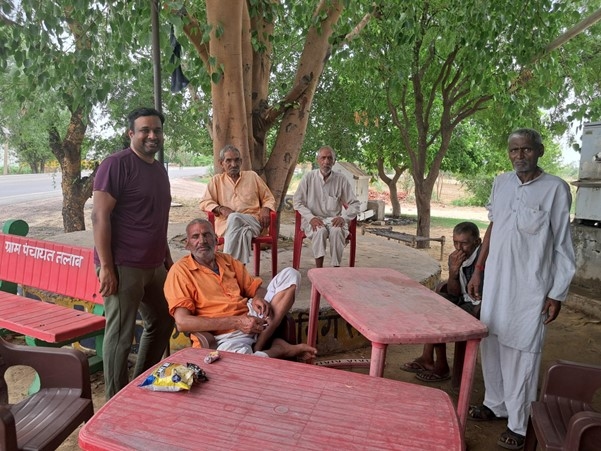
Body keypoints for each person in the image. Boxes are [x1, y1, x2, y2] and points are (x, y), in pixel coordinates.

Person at [466, 128, 576, 450]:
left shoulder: (555, 189)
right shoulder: (501, 183)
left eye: (526, 150)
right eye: (514, 150)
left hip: (530, 287)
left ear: (539, 151)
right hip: (497, 282)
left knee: (523, 352)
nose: (519, 156)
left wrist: (556, 293)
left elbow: (562, 246)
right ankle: (495, 402)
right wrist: (479, 269)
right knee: (493, 343)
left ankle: (518, 422)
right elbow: (494, 226)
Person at [92, 107, 175, 400]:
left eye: (157, 131)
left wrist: (167, 260)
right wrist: (106, 266)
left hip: (154, 264)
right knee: (120, 336)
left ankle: (142, 385)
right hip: (122, 264)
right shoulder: (116, 165)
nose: (152, 136)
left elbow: (156, 218)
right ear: (131, 134)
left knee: (165, 319)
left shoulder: (158, 170)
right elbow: (100, 216)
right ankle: (115, 401)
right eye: (145, 130)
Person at [164, 218, 317, 360]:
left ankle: (260, 344)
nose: (202, 241)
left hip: (253, 319)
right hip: (225, 335)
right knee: (240, 364)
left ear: (216, 239)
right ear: (187, 244)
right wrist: (237, 322)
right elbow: (183, 322)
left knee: (290, 274)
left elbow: (256, 288)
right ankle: (278, 350)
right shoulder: (180, 272)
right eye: (195, 237)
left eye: (207, 235)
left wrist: (258, 298)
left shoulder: (227, 260)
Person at [401, 221, 483, 382]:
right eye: (455, 242)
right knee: (432, 304)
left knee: (438, 315)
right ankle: (427, 358)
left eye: (464, 243)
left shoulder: (482, 261)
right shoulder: (458, 257)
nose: (459, 248)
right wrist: (453, 271)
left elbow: (478, 295)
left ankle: (442, 366)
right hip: (463, 300)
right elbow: (454, 292)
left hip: (477, 306)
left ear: (477, 242)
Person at [199, 144, 276, 265]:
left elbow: (269, 198)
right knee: (243, 232)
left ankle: (226, 265)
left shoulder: (252, 176)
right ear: (221, 163)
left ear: (241, 161)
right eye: (228, 161)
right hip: (230, 227)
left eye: (236, 160)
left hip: (253, 222)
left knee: (234, 217)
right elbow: (204, 202)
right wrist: (220, 208)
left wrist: (266, 208)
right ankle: (239, 271)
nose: (233, 164)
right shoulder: (216, 181)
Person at [293, 146, 361, 268]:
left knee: (337, 230)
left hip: (333, 219)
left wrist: (344, 218)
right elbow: (297, 202)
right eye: (323, 158)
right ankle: (319, 269)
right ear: (317, 160)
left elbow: (355, 204)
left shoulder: (341, 179)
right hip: (314, 219)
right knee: (320, 231)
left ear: (334, 162)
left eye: (330, 158)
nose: (326, 162)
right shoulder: (309, 178)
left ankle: (335, 268)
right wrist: (310, 218)